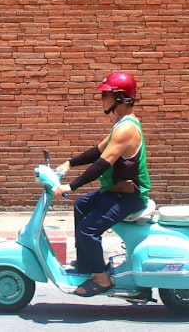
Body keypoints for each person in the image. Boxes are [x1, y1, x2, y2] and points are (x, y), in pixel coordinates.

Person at [52, 70, 151, 297]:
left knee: (88, 230)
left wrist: (71, 186)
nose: (102, 99)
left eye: (105, 95)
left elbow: (103, 163)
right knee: (82, 206)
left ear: (120, 98)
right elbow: (98, 150)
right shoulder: (121, 124)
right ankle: (89, 266)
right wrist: (69, 163)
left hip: (129, 196)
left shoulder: (126, 128)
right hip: (115, 192)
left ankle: (101, 279)